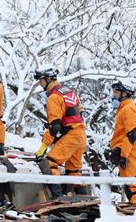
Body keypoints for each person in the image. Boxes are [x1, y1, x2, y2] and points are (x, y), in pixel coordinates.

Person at [33, 66, 87, 198]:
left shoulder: (53, 97)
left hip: (71, 137)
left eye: (41, 80)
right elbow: (78, 114)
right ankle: (83, 200)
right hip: (80, 136)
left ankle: (58, 198)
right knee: (73, 171)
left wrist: (43, 147)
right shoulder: (69, 92)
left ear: (48, 79)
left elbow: (54, 127)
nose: (40, 84)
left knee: (50, 163)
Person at [109, 80, 136, 205]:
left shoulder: (128, 109)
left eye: (117, 92)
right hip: (127, 152)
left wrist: (123, 155)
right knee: (129, 186)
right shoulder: (123, 109)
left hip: (131, 153)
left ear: (125, 94)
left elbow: (132, 134)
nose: (114, 95)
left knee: (133, 187)